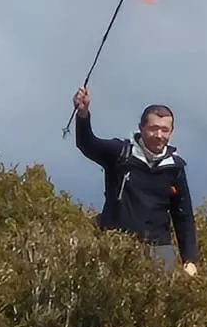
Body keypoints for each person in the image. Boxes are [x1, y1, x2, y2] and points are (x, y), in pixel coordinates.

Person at [72, 85, 198, 276]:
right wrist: (82, 115)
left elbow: (184, 215)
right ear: (141, 128)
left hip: (159, 250)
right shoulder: (120, 153)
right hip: (117, 243)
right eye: (154, 128)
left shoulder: (175, 168)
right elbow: (87, 144)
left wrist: (189, 259)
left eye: (165, 130)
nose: (159, 135)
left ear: (171, 132)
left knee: (161, 303)